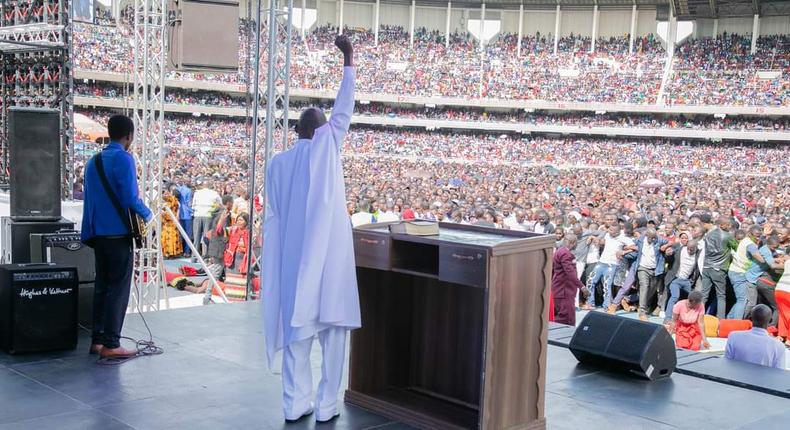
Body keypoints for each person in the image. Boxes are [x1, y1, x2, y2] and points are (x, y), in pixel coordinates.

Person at [262, 35, 360, 424]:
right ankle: (325, 405)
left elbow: (274, 218)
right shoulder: (327, 147)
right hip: (329, 267)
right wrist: (348, 60)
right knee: (334, 339)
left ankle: (294, 403)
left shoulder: (277, 164)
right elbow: (344, 110)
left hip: (293, 267)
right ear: (320, 132)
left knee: (296, 343)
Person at [81, 114, 152, 359]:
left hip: (98, 235)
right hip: (118, 235)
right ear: (129, 136)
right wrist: (148, 214)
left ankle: (97, 341)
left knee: (102, 286)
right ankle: (112, 344)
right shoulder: (124, 159)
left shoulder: (93, 162)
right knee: (118, 289)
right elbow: (130, 199)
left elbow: (88, 202)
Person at [725, 304, 786, 369]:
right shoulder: (778, 346)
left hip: (735, 378)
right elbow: (779, 373)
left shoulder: (734, 337)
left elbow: (727, 364)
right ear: (770, 321)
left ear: (750, 319)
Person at [698, 215, 736, 319]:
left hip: (706, 267)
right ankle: (721, 320)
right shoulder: (727, 236)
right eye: (728, 225)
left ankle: (697, 316)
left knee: (704, 294)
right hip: (719, 268)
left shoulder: (709, 235)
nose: (729, 226)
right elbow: (736, 247)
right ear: (721, 225)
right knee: (721, 295)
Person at [728, 225, 769, 319]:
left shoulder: (746, 240)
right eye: (756, 236)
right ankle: (736, 323)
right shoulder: (750, 245)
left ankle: (729, 319)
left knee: (741, 299)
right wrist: (769, 258)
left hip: (736, 271)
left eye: (759, 236)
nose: (758, 238)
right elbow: (761, 260)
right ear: (750, 234)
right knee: (742, 300)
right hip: (739, 273)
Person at [632, 228, 669, 320]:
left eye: (654, 238)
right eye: (651, 238)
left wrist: (666, 246)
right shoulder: (640, 240)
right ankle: (642, 312)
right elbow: (631, 244)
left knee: (652, 289)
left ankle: (642, 304)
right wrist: (627, 249)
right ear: (646, 236)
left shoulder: (659, 240)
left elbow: (672, 241)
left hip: (655, 269)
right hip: (642, 267)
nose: (653, 240)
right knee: (644, 286)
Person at [552, 234, 588, 325]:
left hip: (558, 290)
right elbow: (570, 273)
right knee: (567, 319)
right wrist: (582, 287)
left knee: (558, 317)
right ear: (573, 243)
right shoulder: (566, 254)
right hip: (564, 291)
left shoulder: (558, 251)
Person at [663, 235, 700, 323]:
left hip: (687, 281)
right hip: (675, 279)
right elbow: (669, 257)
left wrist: (692, 281)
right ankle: (667, 318)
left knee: (694, 298)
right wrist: (668, 254)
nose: (689, 251)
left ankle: (694, 319)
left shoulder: (698, 255)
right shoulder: (680, 250)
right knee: (674, 296)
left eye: (692, 249)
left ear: (696, 248)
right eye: (688, 249)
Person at [192, 179, 221, 256]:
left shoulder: (197, 193)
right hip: (208, 215)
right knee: (206, 237)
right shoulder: (214, 193)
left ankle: (194, 256)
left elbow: (193, 205)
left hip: (198, 215)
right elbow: (220, 203)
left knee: (196, 237)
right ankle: (205, 255)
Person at [161, 186, 183, 258]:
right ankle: (174, 252)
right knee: (173, 238)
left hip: (169, 222)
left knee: (169, 238)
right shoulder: (175, 202)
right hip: (171, 221)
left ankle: (169, 253)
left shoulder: (173, 201)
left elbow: (164, 198)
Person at [176, 179, 194, 257]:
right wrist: (192, 211)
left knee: (180, 234)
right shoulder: (189, 191)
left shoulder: (178, 189)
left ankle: (180, 250)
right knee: (188, 234)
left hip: (179, 214)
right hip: (187, 214)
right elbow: (189, 203)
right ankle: (186, 252)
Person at [776, 259, 790, 347]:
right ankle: (789, 340)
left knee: (783, 314)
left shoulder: (788, 261)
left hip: (779, 289)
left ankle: (781, 335)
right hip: (788, 290)